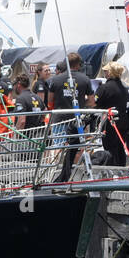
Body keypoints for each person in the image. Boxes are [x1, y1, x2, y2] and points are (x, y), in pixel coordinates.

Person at [46, 52, 94, 181]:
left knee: (58, 146)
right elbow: (92, 101)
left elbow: (50, 101)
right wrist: (84, 107)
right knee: (77, 147)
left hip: (59, 118)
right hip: (77, 120)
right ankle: (73, 173)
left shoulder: (55, 80)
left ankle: (56, 172)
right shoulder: (85, 79)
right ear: (78, 64)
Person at [95, 61, 129, 167]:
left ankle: (111, 168)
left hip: (110, 122)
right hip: (123, 122)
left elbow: (95, 103)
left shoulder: (105, 87)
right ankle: (121, 167)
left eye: (106, 71)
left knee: (110, 148)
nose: (105, 73)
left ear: (110, 73)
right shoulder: (124, 87)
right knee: (120, 147)